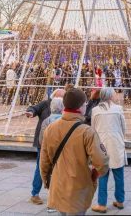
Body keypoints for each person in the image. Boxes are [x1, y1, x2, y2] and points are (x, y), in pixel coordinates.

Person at [40, 87, 109, 215]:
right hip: (79, 187)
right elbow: (102, 162)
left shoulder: (50, 128)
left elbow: (44, 160)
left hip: (58, 185)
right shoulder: (86, 131)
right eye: (85, 104)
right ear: (81, 107)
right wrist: (93, 176)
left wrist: (47, 181)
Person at [26, 88, 65, 205]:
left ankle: (57, 194)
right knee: (40, 168)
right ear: (54, 97)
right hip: (42, 143)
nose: (62, 99)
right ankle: (35, 194)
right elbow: (33, 108)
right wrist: (30, 112)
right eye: (60, 97)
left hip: (59, 146)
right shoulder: (45, 104)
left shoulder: (65, 107)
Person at [91, 87, 127, 213]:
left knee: (102, 175)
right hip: (116, 144)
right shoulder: (118, 109)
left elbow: (93, 130)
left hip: (101, 146)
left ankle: (101, 204)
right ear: (111, 96)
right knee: (119, 176)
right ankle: (120, 200)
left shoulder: (95, 110)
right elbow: (124, 128)